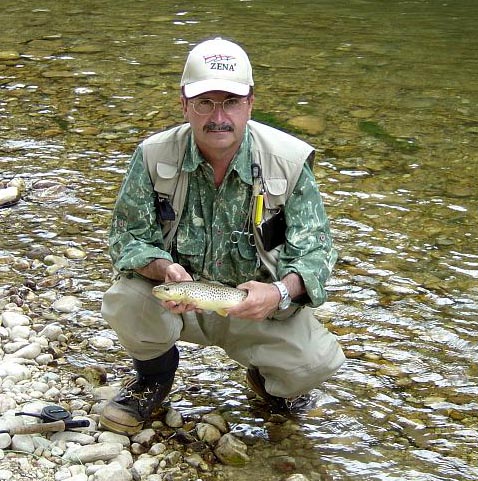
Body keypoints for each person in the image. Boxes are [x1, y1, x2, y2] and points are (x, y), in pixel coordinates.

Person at [99, 37, 345, 435]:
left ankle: (267, 383)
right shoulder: (151, 155)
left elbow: (316, 252)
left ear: (249, 103)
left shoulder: (290, 162)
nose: (219, 117)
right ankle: (153, 378)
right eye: (205, 103)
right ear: (184, 104)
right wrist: (163, 269)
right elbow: (126, 238)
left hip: (255, 306)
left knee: (314, 363)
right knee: (127, 299)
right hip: (179, 301)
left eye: (230, 102)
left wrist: (278, 293)